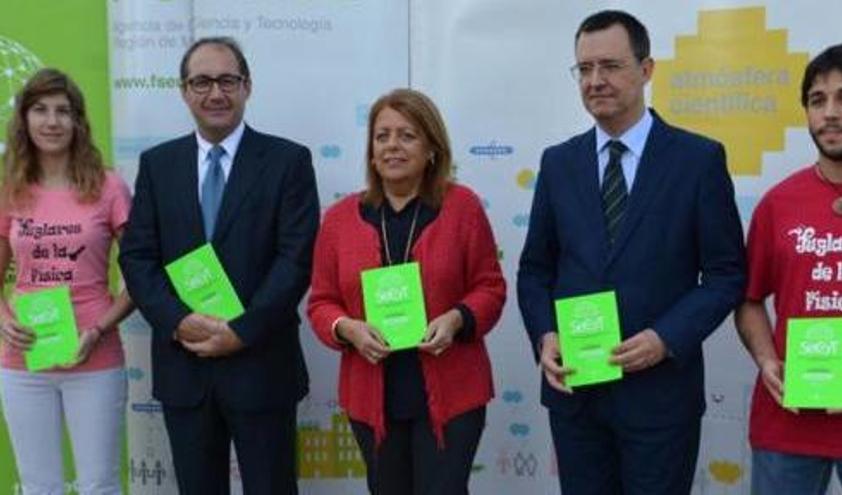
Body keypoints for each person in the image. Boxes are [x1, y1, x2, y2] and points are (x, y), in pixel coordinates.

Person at [517, 10, 746, 495]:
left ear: (646, 70)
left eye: (611, 66)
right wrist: (545, 336)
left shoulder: (698, 160)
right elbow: (535, 270)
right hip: (577, 396)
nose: (595, 81)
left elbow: (726, 275)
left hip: (660, 398)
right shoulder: (558, 163)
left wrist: (665, 338)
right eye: (584, 69)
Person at [119, 37, 319, 494]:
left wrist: (242, 331)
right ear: (184, 90)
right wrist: (178, 321)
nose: (215, 93)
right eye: (202, 81)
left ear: (247, 86)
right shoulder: (157, 164)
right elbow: (137, 256)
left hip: (261, 364)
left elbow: (295, 259)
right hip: (184, 368)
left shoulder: (288, 161)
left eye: (227, 80)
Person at [308, 88, 506, 495]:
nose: (392, 146)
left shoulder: (462, 207)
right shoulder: (341, 219)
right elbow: (321, 302)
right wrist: (348, 328)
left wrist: (456, 320)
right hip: (371, 396)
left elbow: (490, 287)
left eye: (407, 135)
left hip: (452, 395)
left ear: (432, 147)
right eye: (382, 136)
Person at [735, 44, 842, 495]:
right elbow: (749, 299)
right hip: (788, 426)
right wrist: (765, 360)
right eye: (818, 101)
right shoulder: (778, 204)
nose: (830, 113)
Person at [0, 68, 133, 494]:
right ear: (24, 119)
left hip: (93, 359)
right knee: (40, 487)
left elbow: (140, 278)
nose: (52, 121)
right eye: (40, 109)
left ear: (78, 121)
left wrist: (99, 330)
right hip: (24, 362)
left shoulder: (109, 186)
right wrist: (2, 319)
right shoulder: (9, 188)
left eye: (63, 111)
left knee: (98, 485)